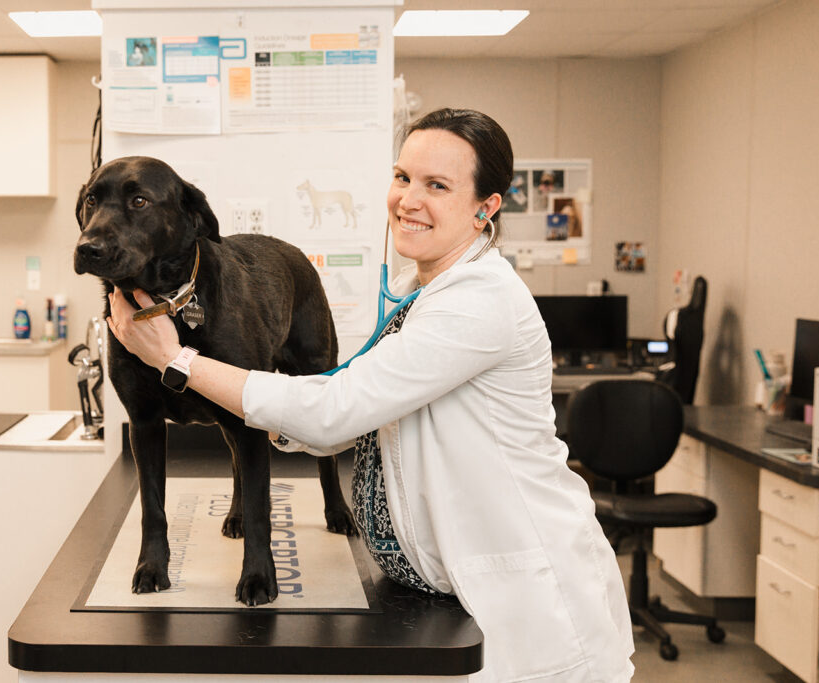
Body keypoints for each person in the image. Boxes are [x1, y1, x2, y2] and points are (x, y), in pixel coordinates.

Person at [106, 108, 635, 682]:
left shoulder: (479, 304)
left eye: (437, 185)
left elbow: (334, 414)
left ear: (486, 208)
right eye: (403, 177)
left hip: (524, 608)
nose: (408, 199)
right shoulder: (423, 291)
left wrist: (175, 359)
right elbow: (352, 404)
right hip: (442, 596)